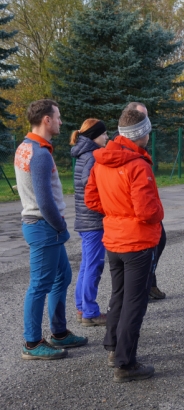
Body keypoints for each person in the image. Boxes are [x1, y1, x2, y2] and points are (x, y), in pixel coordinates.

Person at [85, 107, 163, 382]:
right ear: (142, 133)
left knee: (118, 295)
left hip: (114, 239)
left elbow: (91, 200)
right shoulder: (137, 165)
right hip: (137, 241)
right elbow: (147, 211)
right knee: (135, 301)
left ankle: (112, 347)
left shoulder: (102, 160)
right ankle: (125, 362)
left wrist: (115, 211)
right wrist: (156, 215)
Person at [14, 99, 88, 360]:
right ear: (46, 119)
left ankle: (59, 332)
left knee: (62, 277)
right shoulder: (40, 154)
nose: (60, 121)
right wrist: (60, 226)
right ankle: (32, 343)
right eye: (57, 117)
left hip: (42, 226)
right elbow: (44, 202)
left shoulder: (27, 146)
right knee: (39, 285)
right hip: (44, 227)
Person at [125, 102, 167, 299]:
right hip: (134, 222)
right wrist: (157, 212)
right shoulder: (131, 159)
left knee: (158, 242)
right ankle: (143, 289)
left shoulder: (140, 153)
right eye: (142, 116)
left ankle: (150, 283)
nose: (146, 122)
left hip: (139, 217)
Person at [70, 118, 109, 326]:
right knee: (93, 265)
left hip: (85, 219)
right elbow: (89, 183)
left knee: (87, 265)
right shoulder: (93, 156)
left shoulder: (83, 154)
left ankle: (81, 307)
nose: (107, 137)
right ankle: (90, 312)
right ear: (94, 136)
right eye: (103, 134)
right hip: (93, 219)